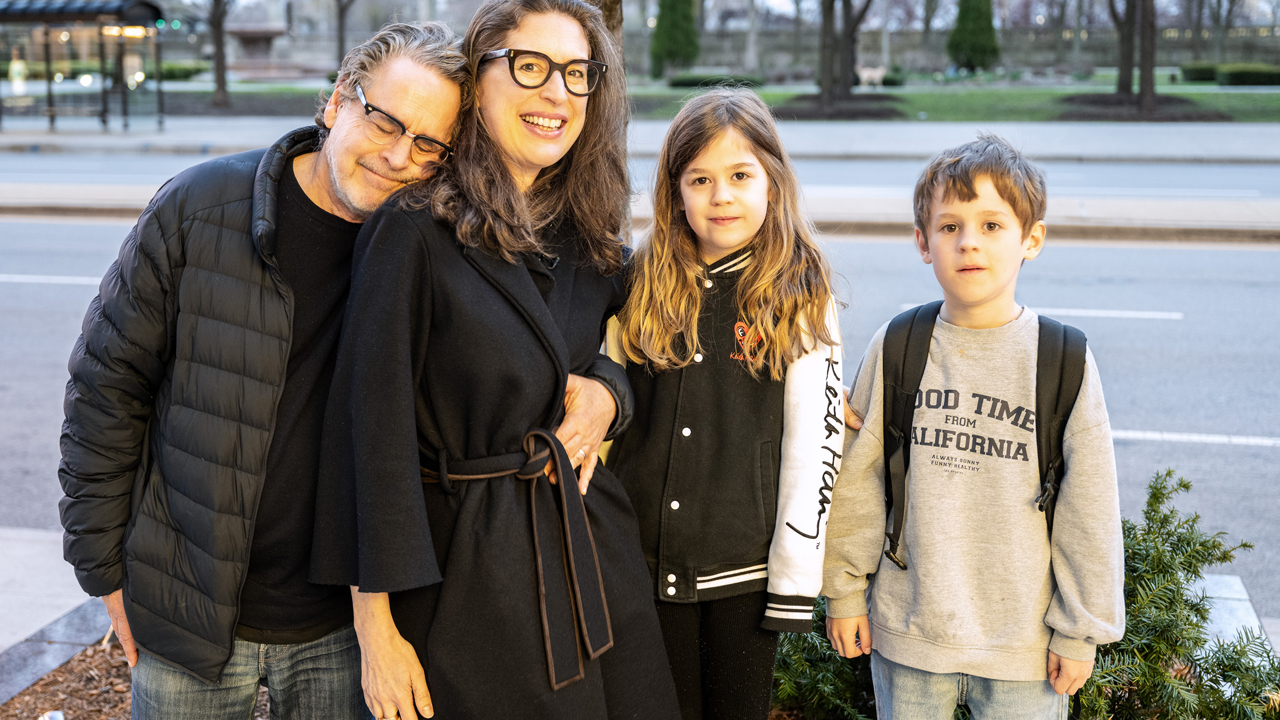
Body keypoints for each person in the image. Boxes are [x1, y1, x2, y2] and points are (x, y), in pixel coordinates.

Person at [57, 23, 469, 720]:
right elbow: (106, 389)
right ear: (339, 100)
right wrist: (104, 572)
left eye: (428, 145)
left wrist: (605, 390)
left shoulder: (424, 252)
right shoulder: (199, 208)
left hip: (345, 625)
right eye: (386, 121)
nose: (400, 157)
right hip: (188, 608)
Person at [308, 0, 681, 718]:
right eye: (531, 66)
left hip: (586, 552)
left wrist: (609, 392)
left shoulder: (586, 231)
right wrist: (375, 631)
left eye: (577, 74)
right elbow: (368, 435)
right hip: (462, 573)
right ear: (478, 80)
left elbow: (627, 357)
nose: (555, 94)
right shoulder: (412, 229)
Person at [822, 134, 1125, 720]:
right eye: (949, 226)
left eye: (992, 225)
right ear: (922, 242)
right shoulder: (899, 344)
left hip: (1024, 650)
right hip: (910, 638)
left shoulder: (1062, 358)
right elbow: (857, 481)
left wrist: (1079, 631)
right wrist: (843, 591)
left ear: (1031, 239)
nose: (968, 243)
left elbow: (1089, 504)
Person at [605, 88, 845, 720]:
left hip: (745, 571)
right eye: (700, 179)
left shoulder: (799, 290)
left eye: (741, 176)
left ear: (773, 180)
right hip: (643, 561)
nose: (721, 196)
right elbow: (607, 413)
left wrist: (794, 580)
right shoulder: (642, 279)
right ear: (673, 191)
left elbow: (814, 442)